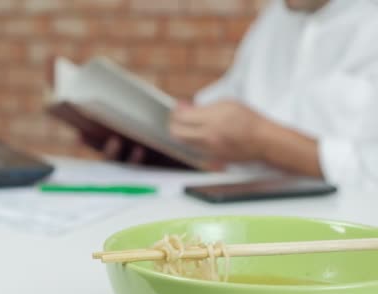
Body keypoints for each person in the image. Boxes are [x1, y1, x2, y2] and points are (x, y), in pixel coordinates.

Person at [98, 0, 378, 188]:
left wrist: (264, 140)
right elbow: (224, 105)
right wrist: (154, 144)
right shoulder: (275, 18)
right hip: (238, 213)